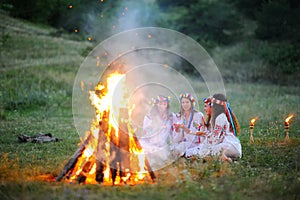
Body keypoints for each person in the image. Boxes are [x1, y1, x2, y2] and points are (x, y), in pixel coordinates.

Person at [185, 93, 242, 162]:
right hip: (222, 144)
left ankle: (225, 159)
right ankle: (224, 159)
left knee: (206, 152)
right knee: (193, 151)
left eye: (208, 106)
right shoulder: (214, 118)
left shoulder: (220, 117)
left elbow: (214, 138)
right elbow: (212, 137)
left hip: (230, 145)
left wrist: (203, 148)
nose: (205, 108)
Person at [139, 95, 173, 168]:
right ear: (156, 104)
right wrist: (153, 127)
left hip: (160, 144)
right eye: (160, 104)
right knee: (143, 149)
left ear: (167, 105)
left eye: (164, 104)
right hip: (148, 143)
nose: (162, 106)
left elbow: (174, 129)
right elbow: (145, 132)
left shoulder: (170, 117)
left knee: (162, 155)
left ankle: (154, 164)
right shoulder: (149, 116)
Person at [171, 93, 205, 157]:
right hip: (184, 143)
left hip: (197, 144)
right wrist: (177, 130)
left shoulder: (199, 115)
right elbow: (176, 139)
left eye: (187, 102)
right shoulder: (180, 117)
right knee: (173, 149)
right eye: (183, 102)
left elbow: (203, 132)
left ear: (191, 103)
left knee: (186, 151)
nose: (185, 104)